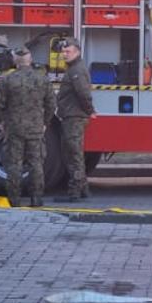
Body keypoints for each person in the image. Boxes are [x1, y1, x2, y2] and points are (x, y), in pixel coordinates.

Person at [0, 47, 53, 207]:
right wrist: (45, 122)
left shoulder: (7, 80)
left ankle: (14, 200)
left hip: (14, 128)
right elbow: (51, 104)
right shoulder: (43, 80)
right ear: (30, 60)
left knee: (14, 164)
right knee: (36, 163)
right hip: (36, 128)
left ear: (15, 61)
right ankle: (36, 199)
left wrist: (1, 122)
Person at [52, 38, 96, 199]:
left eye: (68, 51)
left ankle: (74, 192)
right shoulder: (74, 68)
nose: (64, 55)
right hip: (73, 115)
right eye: (63, 52)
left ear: (77, 51)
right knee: (73, 152)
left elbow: (84, 93)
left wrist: (90, 110)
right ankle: (83, 188)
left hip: (74, 117)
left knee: (72, 154)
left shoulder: (75, 70)